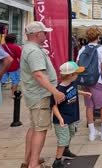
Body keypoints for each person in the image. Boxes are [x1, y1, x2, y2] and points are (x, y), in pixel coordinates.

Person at [20, 21, 65, 168]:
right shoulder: (34, 51)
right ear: (38, 34)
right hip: (40, 95)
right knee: (40, 129)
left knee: (34, 127)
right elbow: (38, 74)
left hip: (35, 95)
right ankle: (33, 164)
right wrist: (55, 92)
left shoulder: (30, 48)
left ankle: (29, 160)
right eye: (44, 32)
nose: (46, 35)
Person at [77, 28, 102, 141]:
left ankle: (92, 133)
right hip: (97, 81)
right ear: (98, 37)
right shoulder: (101, 49)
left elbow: (78, 64)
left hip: (85, 81)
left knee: (89, 106)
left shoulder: (82, 49)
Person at [51, 61, 92, 168]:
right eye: (76, 73)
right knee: (63, 138)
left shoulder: (73, 83)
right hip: (63, 119)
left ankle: (66, 150)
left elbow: (74, 90)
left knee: (71, 134)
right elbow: (54, 106)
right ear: (70, 75)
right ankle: (57, 161)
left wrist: (84, 93)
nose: (78, 75)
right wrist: (60, 118)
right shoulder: (58, 90)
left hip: (72, 116)